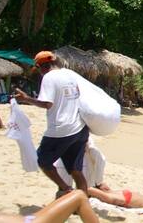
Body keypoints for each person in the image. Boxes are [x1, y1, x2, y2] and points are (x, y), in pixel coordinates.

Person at [14, 51, 90, 197]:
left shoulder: (49, 77)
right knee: (75, 170)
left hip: (61, 130)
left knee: (43, 161)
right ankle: (83, 202)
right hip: (80, 128)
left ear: (40, 66)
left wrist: (26, 99)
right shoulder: (69, 75)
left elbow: (47, 103)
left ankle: (65, 189)